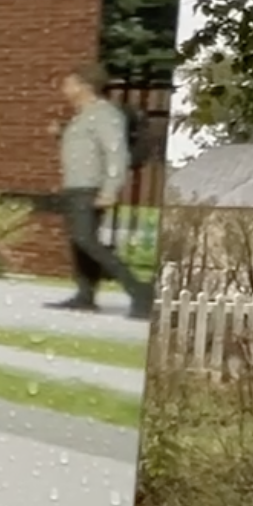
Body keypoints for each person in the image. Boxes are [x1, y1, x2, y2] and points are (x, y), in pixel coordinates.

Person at [54, 62, 152, 319]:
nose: (65, 88)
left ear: (85, 86)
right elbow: (86, 149)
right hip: (75, 187)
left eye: (69, 83)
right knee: (80, 242)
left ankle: (140, 291)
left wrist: (110, 189)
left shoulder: (105, 114)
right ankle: (85, 296)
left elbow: (116, 154)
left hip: (91, 188)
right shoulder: (83, 116)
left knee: (87, 240)